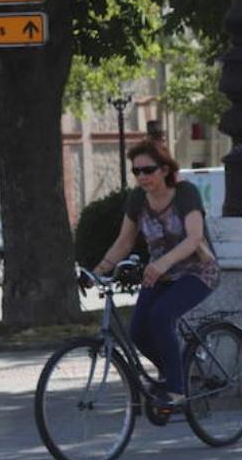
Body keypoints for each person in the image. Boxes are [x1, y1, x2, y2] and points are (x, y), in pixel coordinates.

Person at [93, 138, 219, 412]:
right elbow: (125, 241)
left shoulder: (185, 193)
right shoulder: (138, 198)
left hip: (198, 271)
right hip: (159, 274)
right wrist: (98, 270)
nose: (142, 177)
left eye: (147, 170)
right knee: (138, 331)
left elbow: (194, 238)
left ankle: (176, 389)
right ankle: (178, 373)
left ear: (164, 169)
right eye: (136, 171)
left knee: (161, 315)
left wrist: (162, 263)